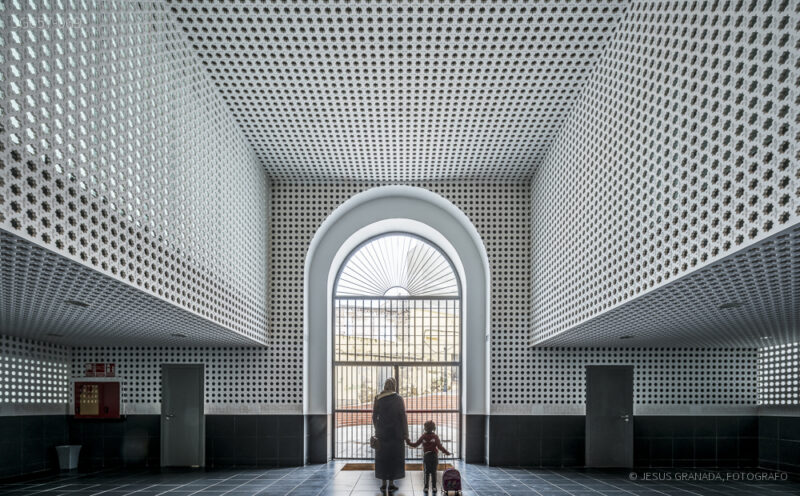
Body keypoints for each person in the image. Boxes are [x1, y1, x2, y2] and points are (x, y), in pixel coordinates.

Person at [372, 377, 409, 492]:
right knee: (393, 458)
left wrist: (378, 428)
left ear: (385, 386)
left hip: (382, 434)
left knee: (382, 458)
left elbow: (374, 416)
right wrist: (405, 434)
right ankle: (392, 484)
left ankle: (383, 484)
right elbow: (403, 417)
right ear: (394, 386)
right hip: (396, 434)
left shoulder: (378, 398)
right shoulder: (398, 399)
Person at [406, 420, 451, 493]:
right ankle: (434, 487)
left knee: (426, 472)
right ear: (433, 428)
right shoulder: (435, 436)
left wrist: (408, 442)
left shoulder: (423, 436)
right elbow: (439, 447)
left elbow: (415, 445)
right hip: (434, 456)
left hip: (426, 456)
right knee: (434, 472)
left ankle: (426, 487)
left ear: (425, 428)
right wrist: (446, 452)